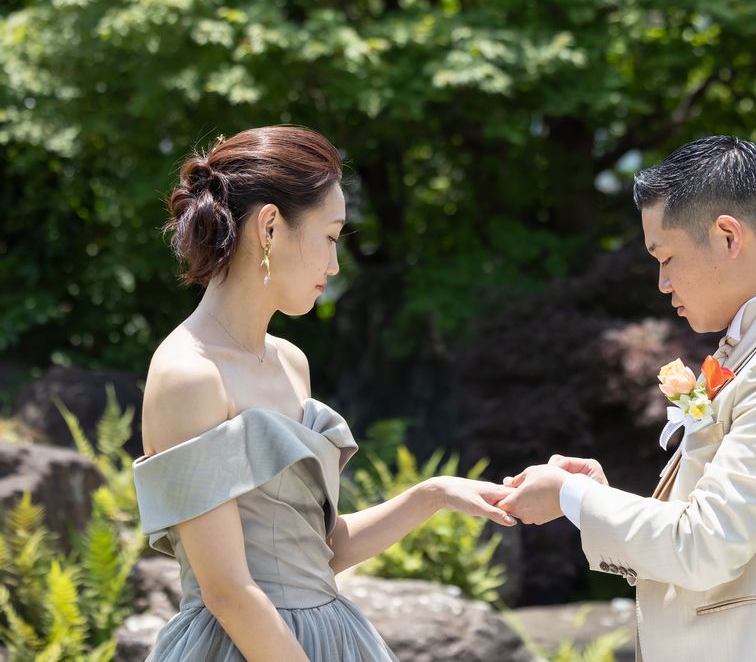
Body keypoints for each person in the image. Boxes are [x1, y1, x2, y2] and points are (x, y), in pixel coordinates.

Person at [134, 125, 516, 662]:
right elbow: (228, 593)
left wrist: (432, 494)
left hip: (331, 637)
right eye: (332, 237)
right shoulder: (189, 374)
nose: (335, 265)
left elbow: (317, 555)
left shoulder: (291, 362)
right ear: (270, 227)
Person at [497, 136, 756, 661]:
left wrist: (572, 497)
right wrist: (601, 499)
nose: (662, 282)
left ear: (728, 236)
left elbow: (704, 547)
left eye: (667, 256)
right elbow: (707, 524)